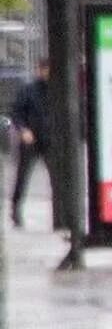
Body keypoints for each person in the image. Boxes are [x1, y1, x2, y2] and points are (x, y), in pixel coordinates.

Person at [10, 60, 49, 228]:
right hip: (30, 138)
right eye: (44, 70)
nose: (46, 73)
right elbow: (17, 112)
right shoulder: (29, 89)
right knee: (22, 176)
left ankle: (64, 213)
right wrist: (23, 130)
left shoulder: (56, 90)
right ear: (39, 70)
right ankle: (16, 210)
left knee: (57, 177)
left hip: (49, 138)